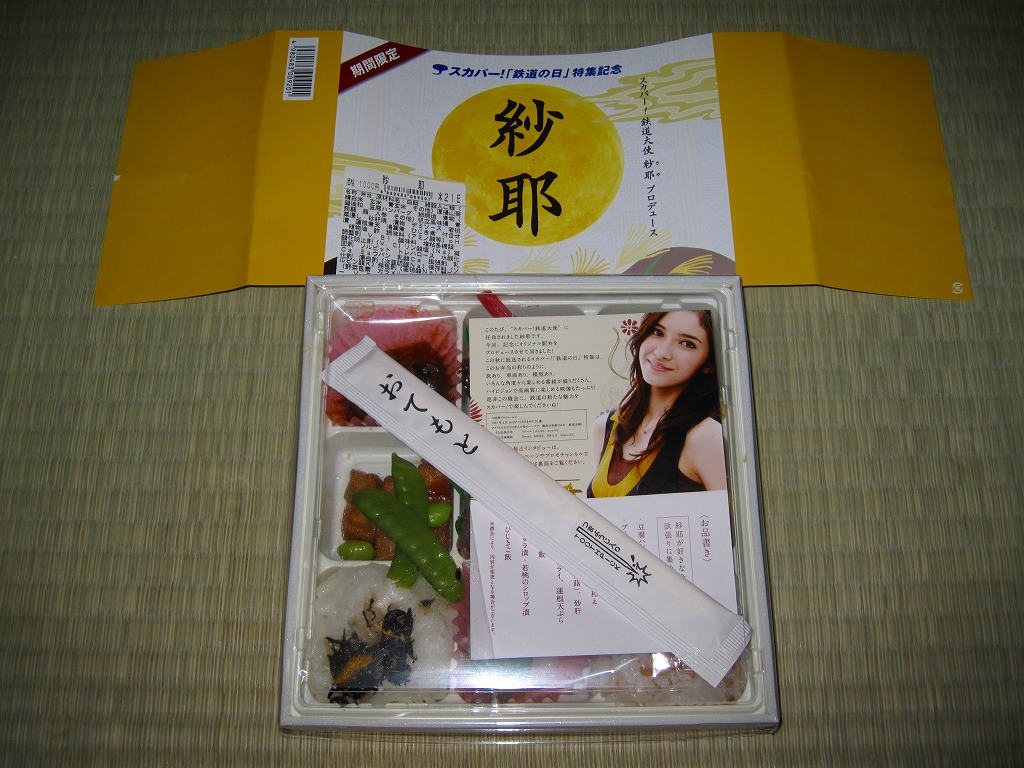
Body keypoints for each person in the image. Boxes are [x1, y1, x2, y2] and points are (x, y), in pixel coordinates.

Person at [587, 310, 726, 497]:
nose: (662, 353)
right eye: (657, 332)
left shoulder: (704, 436)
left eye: (687, 343)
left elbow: (734, 514)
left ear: (709, 364)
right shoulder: (605, 426)